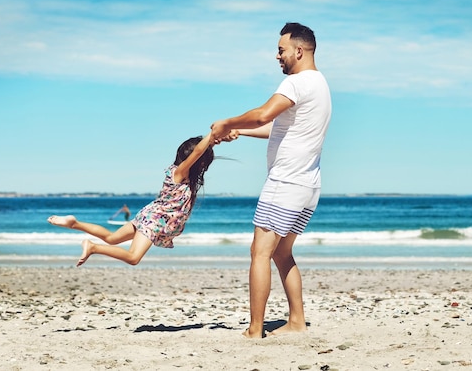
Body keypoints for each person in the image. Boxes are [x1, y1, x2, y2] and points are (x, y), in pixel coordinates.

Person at [211, 22, 332, 338]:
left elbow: (264, 114)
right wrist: (241, 131)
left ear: (298, 50)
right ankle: (296, 321)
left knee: (260, 253)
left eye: (281, 50)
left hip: (285, 184)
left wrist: (227, 121)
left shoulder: (296, 83)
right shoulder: (320, 85)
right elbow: (277, 128)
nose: (277, 56)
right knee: (281, 253)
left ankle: (254, 330)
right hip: (308, 186)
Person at [47, 133, 215, 267]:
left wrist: (217, 138)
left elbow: (200, 151)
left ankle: (73, 223)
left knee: (112, 238)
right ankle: (93, 247)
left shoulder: (179, 173)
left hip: (150, 215)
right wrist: (213, 133)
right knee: (133, 257)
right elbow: (198, 151)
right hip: (154, 221)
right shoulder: (180, 172)